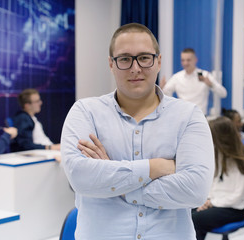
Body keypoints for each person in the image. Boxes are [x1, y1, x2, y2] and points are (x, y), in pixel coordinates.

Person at [60, 23, 214, 239]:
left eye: (144, 57)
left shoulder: (188, 116)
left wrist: (112, 178)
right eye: (124, 59)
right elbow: (80, 178)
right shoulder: (86, 112)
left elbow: (196, 190)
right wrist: (156, 167)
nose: (135, 68)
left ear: (158, 61)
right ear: (111, 64)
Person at [192, 116, 244, 240]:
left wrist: (212, 202)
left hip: (235, 208)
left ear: (221, 138)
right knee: (186, 213)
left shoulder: (243, 160)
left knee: (194, 219)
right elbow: (213, 183)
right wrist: (207, 200)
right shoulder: (219, 155)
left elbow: (238, 196)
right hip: (217, 203)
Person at [160, 48, 227, 115]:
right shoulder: (177, 77)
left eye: (188, 60)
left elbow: (223, 93)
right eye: (183, 60)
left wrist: (211, 84)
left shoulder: (205, 75)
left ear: (195, 60)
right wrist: (161, 89)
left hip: (201, 117)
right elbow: (165, 94)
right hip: (182, 116)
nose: (185, 63)